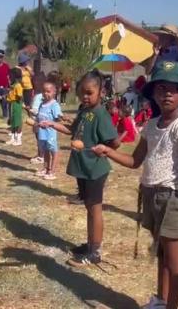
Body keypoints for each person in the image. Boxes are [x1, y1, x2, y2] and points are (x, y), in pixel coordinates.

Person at [92, 61, 178, 309]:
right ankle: (160, 300)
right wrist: (107, 152)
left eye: (173, 89)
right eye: (161, 88)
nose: (166, 94)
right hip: (151, 195)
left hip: (171, 198)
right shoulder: (153, 125)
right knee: (162, 254)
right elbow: (135, 160)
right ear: (153, 93)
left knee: (175, 262)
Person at [40, 69, 120, 266]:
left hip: (95, 169)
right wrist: (51, 124)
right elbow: (71, 130)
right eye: (82, 92)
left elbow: (114, 142)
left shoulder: (100, 114)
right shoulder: (84, 111)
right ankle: (91, 244)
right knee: (88, 207)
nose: (85, 96)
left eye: (89, 92)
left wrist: (105, 149)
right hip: (83, 167)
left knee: (95, 209)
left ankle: (95, 252)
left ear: (101, 92)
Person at [34, 81, 63, 180]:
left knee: (53, 151)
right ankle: (46, 168)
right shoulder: (42, 104)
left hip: (50, 133)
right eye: (44, 91)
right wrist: (36, 123)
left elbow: (58, 118)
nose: (45, 93)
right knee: (45, 151)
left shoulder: (54, 105)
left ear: (54, 92)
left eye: (48, 91)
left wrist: (60, 117)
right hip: (42, 133)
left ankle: (52, 171)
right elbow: (39, 116)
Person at [5, 68, 24, 146]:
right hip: (12, 104)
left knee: (18, 122)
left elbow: (19, 96)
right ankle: (12, 138)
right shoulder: (12, 85)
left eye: (10, 75)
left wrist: (15, 100)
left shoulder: (18, 86)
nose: (9, 77)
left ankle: (18, 139)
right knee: (13, 122)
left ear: (15, 76)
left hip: (16, 104)